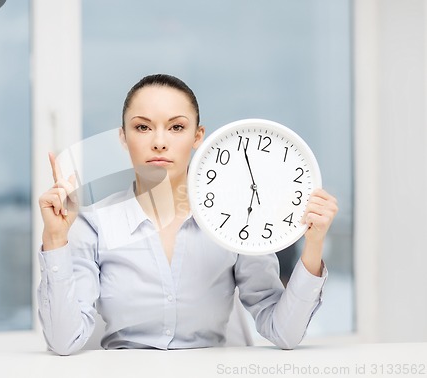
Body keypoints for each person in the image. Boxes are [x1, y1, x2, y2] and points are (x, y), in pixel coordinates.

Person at [37, 74, 338, 355]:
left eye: (176, 127)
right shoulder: (95, 224)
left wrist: (313, 244)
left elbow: (283, 332)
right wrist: (55, 237)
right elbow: (64, 341)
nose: (159, 141)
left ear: (198, 136)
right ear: (123, 137)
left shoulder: (235, 223)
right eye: (142, 127)